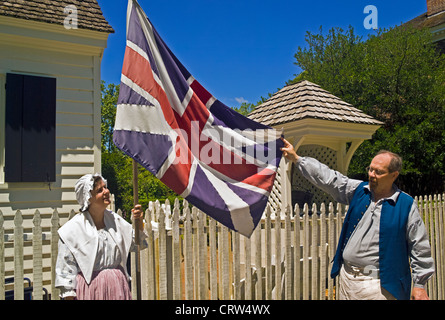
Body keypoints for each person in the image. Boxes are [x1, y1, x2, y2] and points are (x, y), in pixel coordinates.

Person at [280, 138, 434, 300]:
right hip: (348, 281)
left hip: (380, 286)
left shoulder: (405, 204)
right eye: (370, 169)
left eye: (378, 172)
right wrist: (297, 159)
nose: (371, 175)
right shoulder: (359, 191)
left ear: (394, 175)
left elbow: (419, 246)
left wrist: (419, 285)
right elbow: (330, 179)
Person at [55, 173, 147, 300]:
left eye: (105, 187)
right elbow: (65, 272)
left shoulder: (116, 221)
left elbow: (137, 244)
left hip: (117, 288)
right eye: (100, 190)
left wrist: (139, 223)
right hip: (90, 291)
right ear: (88, 198)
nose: (106, 191)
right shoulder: (72, 230)